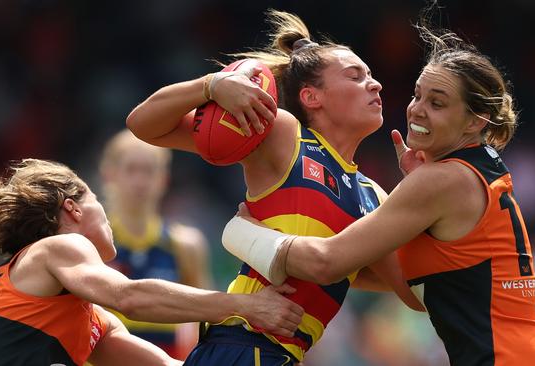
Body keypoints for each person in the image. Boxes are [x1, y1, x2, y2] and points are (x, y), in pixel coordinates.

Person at [222, 24, 535, 366]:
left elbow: (327, 262)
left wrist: (240, 232)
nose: (417, 110)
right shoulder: (478, 171)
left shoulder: (443, 181)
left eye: (437, 103)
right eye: (417, 95)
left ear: (475, 121)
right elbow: (418, 291)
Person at [127, 9, 422, 366]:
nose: (374, 84)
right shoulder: (283, 135)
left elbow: (412, 291)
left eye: (372, 76)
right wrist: (210, 86)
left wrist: (423, 191)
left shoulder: (372, 195)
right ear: (312, 97)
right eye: (355, 76)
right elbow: (144, 125)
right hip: (240, 345)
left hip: (283, 356)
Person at [0, 158, 303, 366]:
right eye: (96, 199)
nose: (106, 214)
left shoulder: (90, 322)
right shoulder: (59, 247)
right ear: (73, 208)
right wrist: (246, 306)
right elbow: (130, 298)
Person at [100, 129, 212, 360]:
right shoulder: (91, 244)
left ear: (163, 180)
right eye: (131, 169)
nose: (140, 181)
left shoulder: (185, 245)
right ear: (109, 175)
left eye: (149, 171)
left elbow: (208, 317)